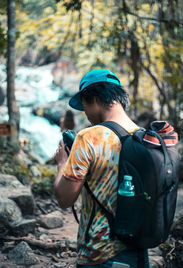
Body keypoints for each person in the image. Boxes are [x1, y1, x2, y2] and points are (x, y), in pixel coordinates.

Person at [54, 68, 149, 268]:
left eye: (85, 106)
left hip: (99, 254)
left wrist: (62, 163)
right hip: (139, 252)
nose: (86, 114)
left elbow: (64, 198)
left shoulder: (88, 137)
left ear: (95, 98)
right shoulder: (144, 137)